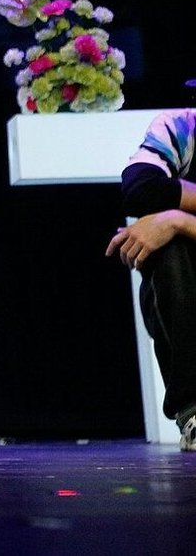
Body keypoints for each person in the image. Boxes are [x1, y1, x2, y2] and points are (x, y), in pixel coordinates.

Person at [110, 85, 196, 452]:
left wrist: (178, 219)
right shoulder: (180, 127)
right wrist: (170, 223)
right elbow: (140, 188)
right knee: (166, 248)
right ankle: (194, 411)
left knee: (167, 229)